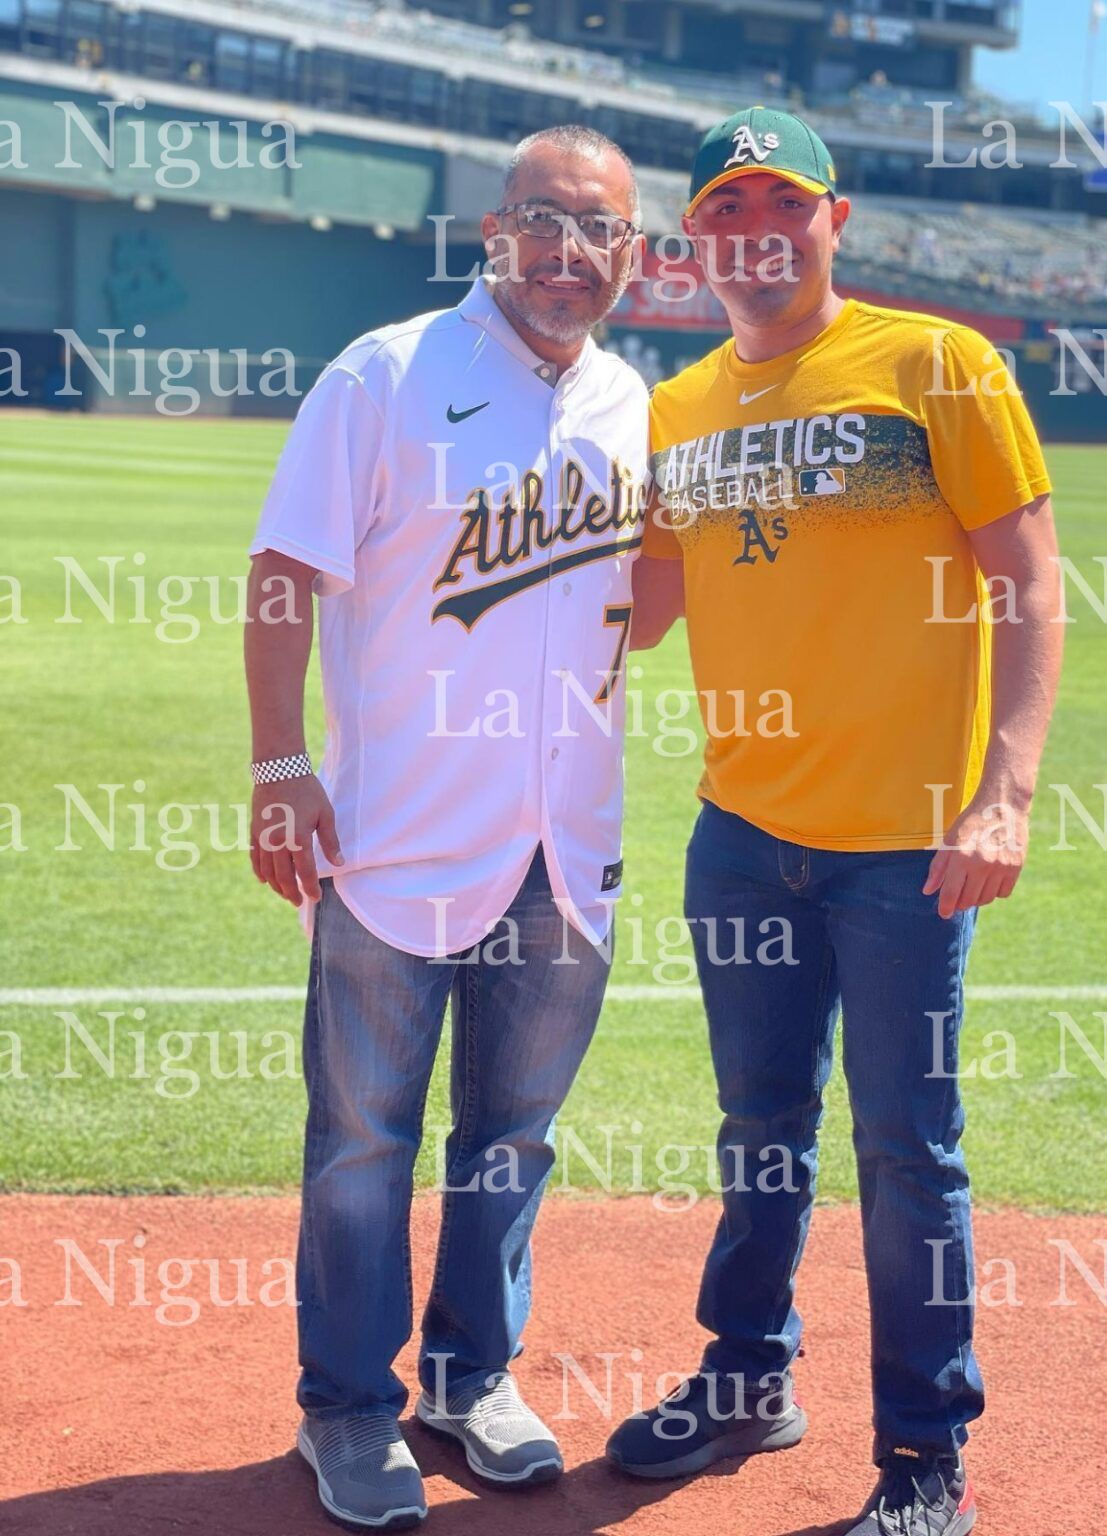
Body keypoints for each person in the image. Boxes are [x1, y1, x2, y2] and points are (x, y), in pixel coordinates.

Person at [606, 107, 1063, 1536]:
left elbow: (1029, 587)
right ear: (696, 245)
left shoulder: (937, 364)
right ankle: (748, 1378)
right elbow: (634, 611)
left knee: (905, 1146)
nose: (753, 231)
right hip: (739, 829)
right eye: (724, 210)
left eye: (780, 204)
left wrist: (1005, 793)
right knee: (757, 1128)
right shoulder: (674, 409)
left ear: (831, 221)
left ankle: (925, 1456)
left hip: (904, 845)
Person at [244, 124, 647, 1530]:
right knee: (362, 1136)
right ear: (495, 230)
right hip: (400, 829)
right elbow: (285, 571)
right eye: (541, 218)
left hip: (563, 837)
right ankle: (346, 1409)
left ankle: (470, 1378)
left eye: (596, 228)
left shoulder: (630, 405)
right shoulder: (391, 371)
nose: (565, 250)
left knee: (513, 1136)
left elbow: (632, 613)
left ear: (631, 255)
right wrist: (282, 758)